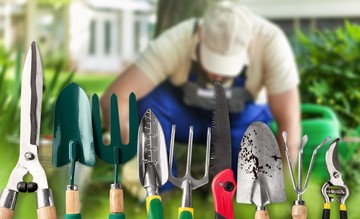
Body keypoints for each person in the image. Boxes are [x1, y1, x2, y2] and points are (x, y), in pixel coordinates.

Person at [101, 1, 301, 194]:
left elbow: (288, 121)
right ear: (199, 34)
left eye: (227, 66)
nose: (218, 75)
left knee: (246, 189)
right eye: (212, 62)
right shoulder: (176, 41)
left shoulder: (271, 43)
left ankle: (241, 198)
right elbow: (115, 97)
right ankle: (160, 194)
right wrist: (129, 151)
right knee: (149, 104)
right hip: (185, 116)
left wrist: (286, 182)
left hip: (241, 121)